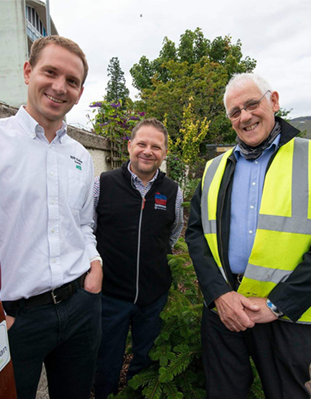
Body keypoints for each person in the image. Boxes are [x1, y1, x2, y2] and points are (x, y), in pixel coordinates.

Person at [185, 73, 311, 399]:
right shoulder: (214, 168)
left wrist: (277, 304)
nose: (245, 116)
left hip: (285, 316)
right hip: (225, 309)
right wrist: (219, 294)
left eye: (252, 104)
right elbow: (196, 234)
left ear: (273, 101)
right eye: (235, 112)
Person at [0, 36, 103, 399]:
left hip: (79, 307)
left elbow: (83, 223)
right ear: (27, 71)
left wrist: (95, 264)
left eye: (71, 81)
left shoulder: (81, 156)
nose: (59, 87)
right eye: (50, 72)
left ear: (80, 92)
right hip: (13, 320)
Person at [93, 118, 184, 399]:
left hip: (153, 297)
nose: (148, 151)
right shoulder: (104, 184)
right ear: (130, 146)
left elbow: (173, 233)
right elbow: (89, 231)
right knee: (105, 360)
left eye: (156, 146)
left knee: (146, 358)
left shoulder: (173, 191)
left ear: (164, 153)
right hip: (110, 295)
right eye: (142, 144)